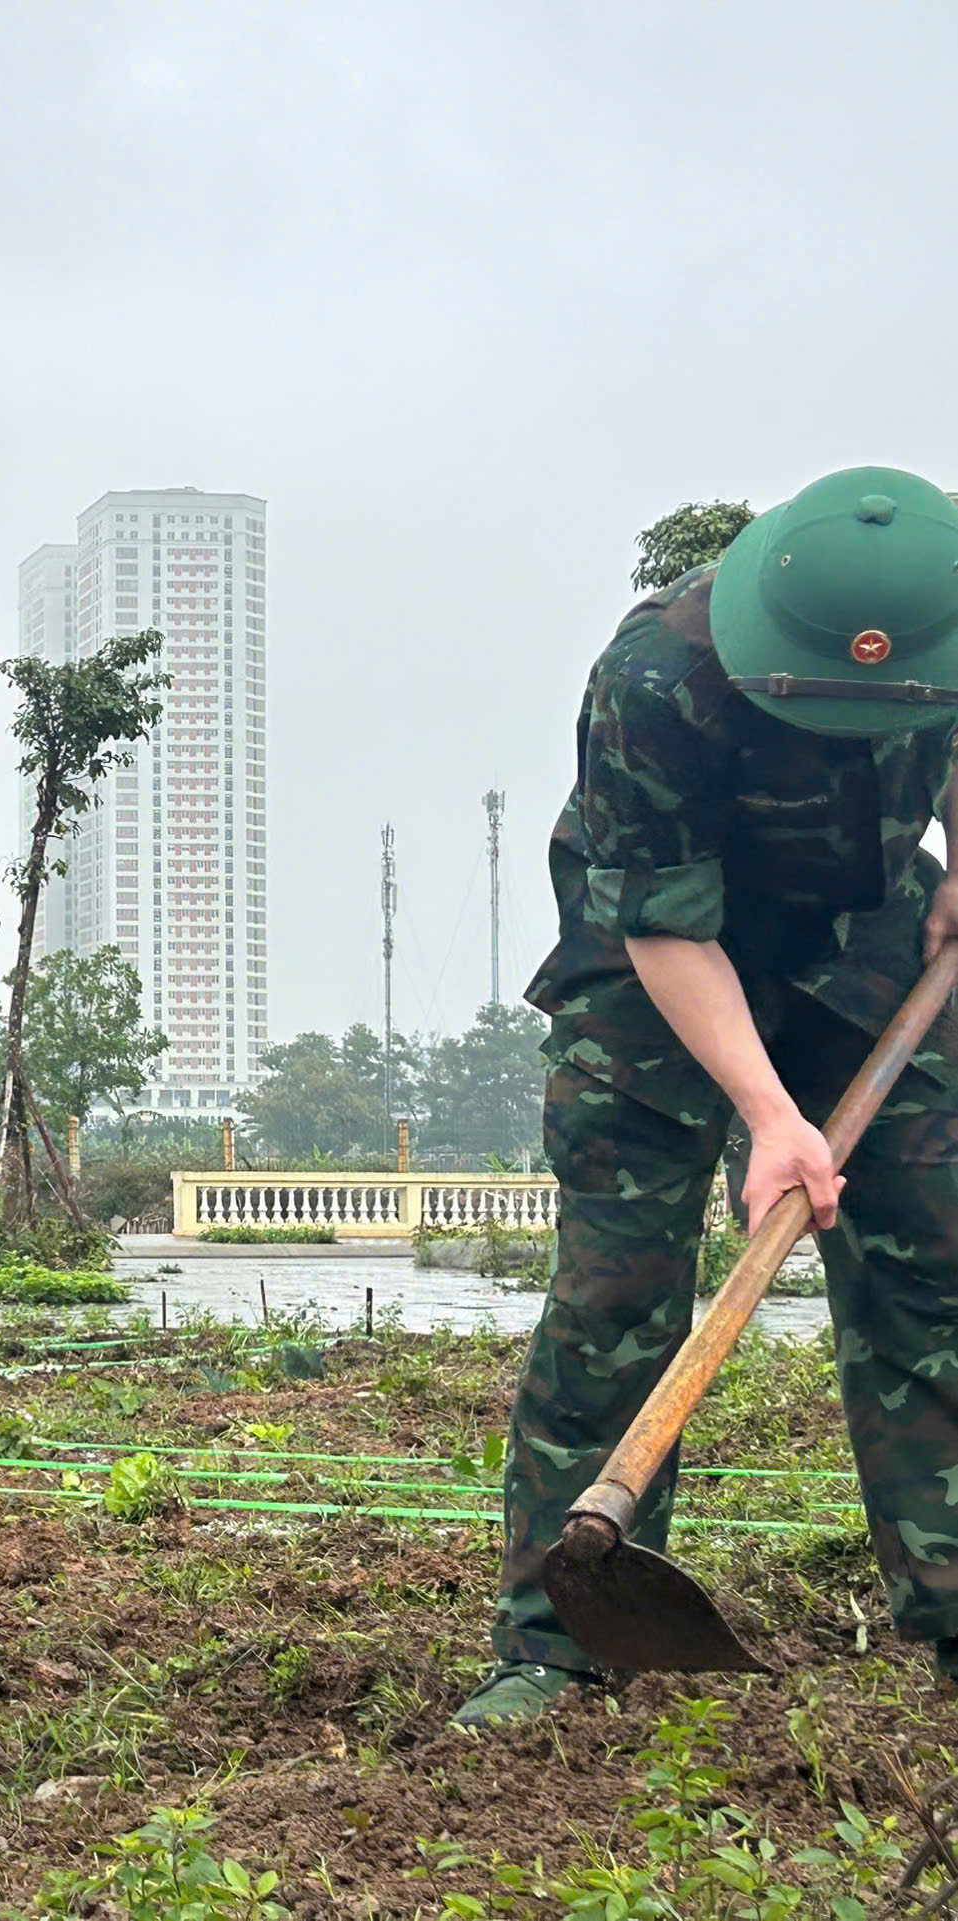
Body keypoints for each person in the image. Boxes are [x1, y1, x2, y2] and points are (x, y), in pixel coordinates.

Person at [455, 464, 958, 1729]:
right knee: (614, 1288)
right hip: (651, 960)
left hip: (866, 938)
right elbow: (666, 923)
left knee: (935, 1266)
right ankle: (556, 1645)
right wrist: (772, 1113)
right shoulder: (654, 679)